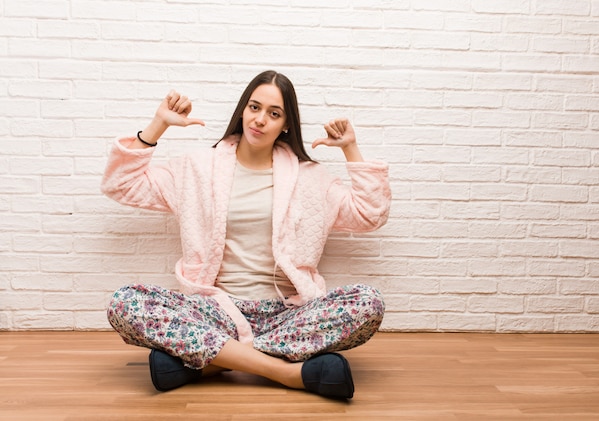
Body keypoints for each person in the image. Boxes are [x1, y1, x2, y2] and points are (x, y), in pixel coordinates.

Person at [101, 70, 391, 399]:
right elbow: (120, 185)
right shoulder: (198, 168)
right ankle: (286, 372)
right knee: (125, 302)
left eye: (274, 113)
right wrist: (158, 125)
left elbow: (370, 214)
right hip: (214, 312)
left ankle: (212, 360)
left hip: (286, 314)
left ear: (286, 124)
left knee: (368, 302)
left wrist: (350, 149)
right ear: (243, 110)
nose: (260, 119)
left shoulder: (311, 178)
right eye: (255, 107)